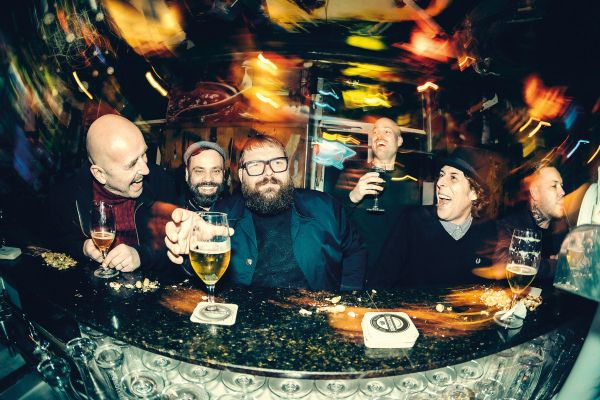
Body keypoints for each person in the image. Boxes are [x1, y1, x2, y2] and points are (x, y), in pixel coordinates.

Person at [166, 134, 367, 291]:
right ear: (242, 175)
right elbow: (204, 266)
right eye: (255, 166)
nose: (268, 173)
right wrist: (185, 252)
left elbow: (355, 250)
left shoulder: (326, 207)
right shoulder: (222, 214)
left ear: (289, 169)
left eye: (277, 163)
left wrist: (348, 295)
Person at [48, 114, 176, 272]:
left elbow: (179, 250)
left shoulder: (163, 183)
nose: (145, 170)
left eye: (143, 154)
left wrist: (142, 256)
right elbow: (52, 241)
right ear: (99, 174)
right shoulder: (66, 195)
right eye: (132, 164)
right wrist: (82, 248)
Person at [367, 147, 495, 288]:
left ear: (475, 193)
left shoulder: (487, 232)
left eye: (453, 177)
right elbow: (379, 281)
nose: (439, 183)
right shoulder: (413, 222)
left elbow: (487, 291)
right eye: (441, 175)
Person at [332, 117, 420, 268]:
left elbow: (413, 232)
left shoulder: (408, 183)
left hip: (394, 269)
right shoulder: (351, 175)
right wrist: (353, 196)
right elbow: (333, 221)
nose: (379, 136)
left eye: (387, 132)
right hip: (356, 268)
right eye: (375, 132)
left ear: (399, 141)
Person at [493, 165, 568, 281]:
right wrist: (557, 265)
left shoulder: (561, 229)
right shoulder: (511, 226)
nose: (562, 192)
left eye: (561, 186)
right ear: (535, 193)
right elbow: (506, 264)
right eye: (554, 186)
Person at [180, 141, 228, 211]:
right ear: (187, 174)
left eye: (216, 171)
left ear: (223, 174)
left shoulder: (238, 212)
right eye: (199, 171)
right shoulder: (171, 213)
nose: (208, 179)